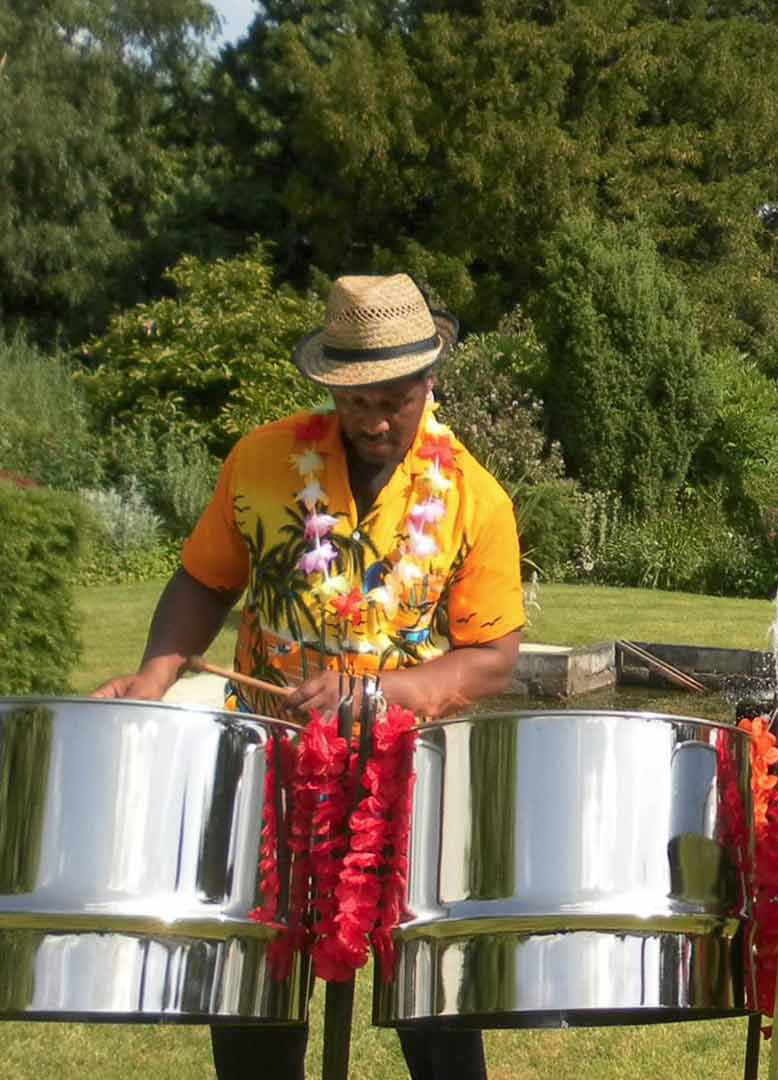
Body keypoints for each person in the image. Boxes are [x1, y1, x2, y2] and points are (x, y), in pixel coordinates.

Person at [92, 274, 525, 1080]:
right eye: (355, 399)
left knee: (438, 1022)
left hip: (409, 786)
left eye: (393, 398)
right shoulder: (261, 461)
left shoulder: (474, 498)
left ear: (429, 381)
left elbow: (492, 654)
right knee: (256, 1005)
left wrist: (371, 695)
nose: (375, 420)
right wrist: (155, 674)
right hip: (273, 774)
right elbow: (203, 580)